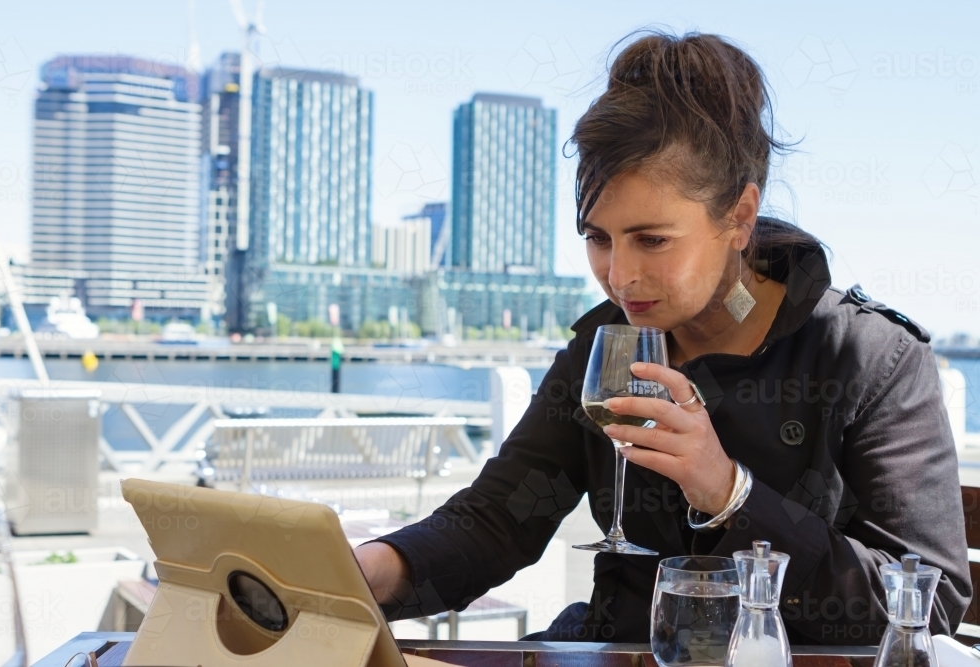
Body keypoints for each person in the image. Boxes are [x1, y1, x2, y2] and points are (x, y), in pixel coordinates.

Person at [354, 30, 971, 644]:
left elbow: (928, 600)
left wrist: (732, 493)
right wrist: (366, 569)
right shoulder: (605, 345)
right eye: (598, 239)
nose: (619, 278)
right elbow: (498, 520)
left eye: (652, 240)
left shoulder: (869, 358)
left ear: (740, 218)